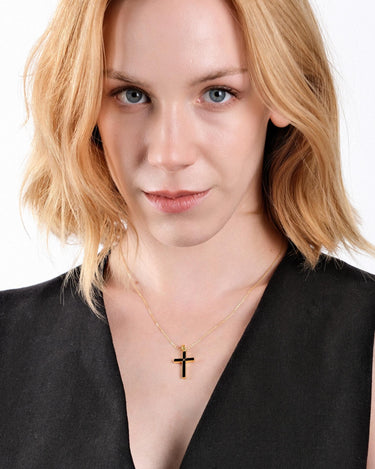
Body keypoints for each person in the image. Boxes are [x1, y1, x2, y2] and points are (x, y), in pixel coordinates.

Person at [0, 0, 374, 467]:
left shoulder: (364, 343)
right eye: (131, 94)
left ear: (282, 93)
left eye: (217, 93)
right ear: (85, 104)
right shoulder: (10, 342)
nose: (168, 153)